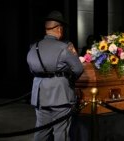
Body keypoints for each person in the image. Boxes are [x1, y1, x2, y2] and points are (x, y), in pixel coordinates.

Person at [27, 10, 84, 141]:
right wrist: (68, 79)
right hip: (60, 95)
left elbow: (32, 70)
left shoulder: (32, 47)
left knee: (41, 132)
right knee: (61, 133)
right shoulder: (64, 48)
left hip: (40, 95)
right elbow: (78, 68)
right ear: (59, 29)